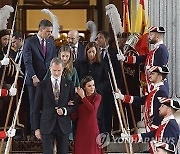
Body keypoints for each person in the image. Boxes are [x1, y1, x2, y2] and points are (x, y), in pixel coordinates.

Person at [114, 65, 170, 153]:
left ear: (160, 76)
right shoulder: (155, 90)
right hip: (151, 129)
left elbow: (160, 115)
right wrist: (122, 97)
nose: (149, 75)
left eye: (153, 73)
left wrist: (152, 131)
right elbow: (141, 100)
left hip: (155, 132)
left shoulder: (161, 92)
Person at [33, 57, 76, 154]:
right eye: (54, 70)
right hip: (46, 125)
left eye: (59, 70)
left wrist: (65, 110)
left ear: (63, 69)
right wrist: (36, 128)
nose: (56, 73)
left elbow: (74, 105)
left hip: (63, 126)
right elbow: (36, 108)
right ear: (50, 68)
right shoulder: (42, 85)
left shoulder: (69, 84)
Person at [23, 19, 57, 133]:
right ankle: (35, 131)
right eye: (48, 31)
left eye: (50, 31)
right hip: (34, 80)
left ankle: (47, 129)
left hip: (47, 79)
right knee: (35, 106)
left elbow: (53, 61)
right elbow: (27, 62)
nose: (50, 34)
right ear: (41, 29)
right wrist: (33, 76)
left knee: (47, 105)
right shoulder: (29, 42)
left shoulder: (51, 42)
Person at [117, 26, 169, 93]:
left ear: (157, 37)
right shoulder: (155, 50)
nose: (148, 36)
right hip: (152, 85)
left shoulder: (161, 50)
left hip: (157, 86)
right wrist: (125, 58)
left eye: (151, 34)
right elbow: (142, 58)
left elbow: (159, 71)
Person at [76, 42, 109, 133]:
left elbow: (106, 81)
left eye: (93, 52)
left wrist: (95, 88)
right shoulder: (80, 63)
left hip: (97, 95)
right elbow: (77, 78)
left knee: (98, 118)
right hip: (83, 95)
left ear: (97, 52)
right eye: (89, 52)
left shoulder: (102, 64)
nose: (91, 54)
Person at [96, 30, 123, 137]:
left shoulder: (113, 52)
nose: (98, 40)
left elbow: (118, 72)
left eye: (100, 38)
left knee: (107, 112)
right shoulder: (95, 52)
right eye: (97, 38)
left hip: (110, 88)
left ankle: (107, 134)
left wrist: (118, 87)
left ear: (107, 39)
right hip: (97, 87)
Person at [71, 76, 104, 154]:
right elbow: (74, 116)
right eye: (89, 86)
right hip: (81, 130)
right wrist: (69, 105)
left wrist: (83, 96)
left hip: (93, 130)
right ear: (84, 87)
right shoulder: (78, 99)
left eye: (93, 85)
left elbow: (92, 110)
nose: (92, 87)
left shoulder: (97, 97)